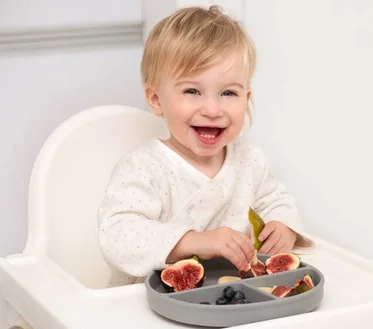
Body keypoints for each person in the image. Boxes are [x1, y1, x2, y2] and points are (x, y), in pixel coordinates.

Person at [97, 5, 315, 287]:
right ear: (156, 100)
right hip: (145, 307)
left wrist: (283, 226)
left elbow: (276, 200)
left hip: (232, 299)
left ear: (246, 98)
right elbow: (117, 235)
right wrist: (193, 241)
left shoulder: (250, 159)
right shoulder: (143, 168)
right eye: (192, 91)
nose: (212, 109)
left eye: (228, 93)